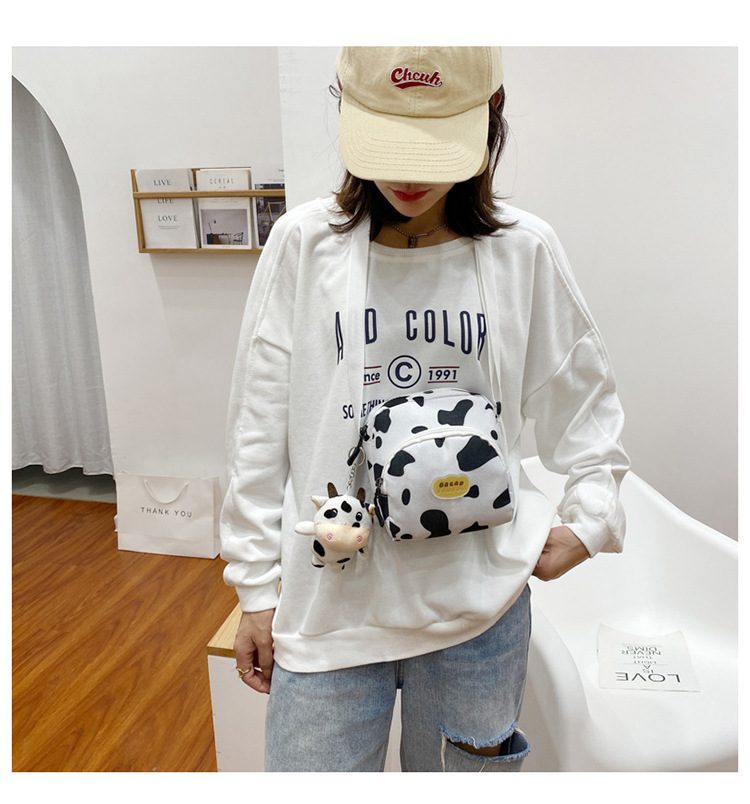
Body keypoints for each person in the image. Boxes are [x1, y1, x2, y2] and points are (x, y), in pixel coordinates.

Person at [220, 46, 629, 772]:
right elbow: (257, 425)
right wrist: (253, 585)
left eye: (436, 147)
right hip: (330, 612)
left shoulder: (523, 251)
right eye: (386, 144)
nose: (408, 176)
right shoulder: (305, 245)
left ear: (489, 119)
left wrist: (591, 516)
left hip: (479, 613)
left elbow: (585, 399)